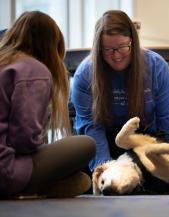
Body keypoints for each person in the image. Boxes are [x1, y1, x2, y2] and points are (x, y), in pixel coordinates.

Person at [0, 11, 96, 198]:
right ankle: (36, 186)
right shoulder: (34, 69)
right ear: (51, 45)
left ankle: (42, 185)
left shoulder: (4, 61)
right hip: (5, 172)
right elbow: (24, 139)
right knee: (87, 144)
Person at [71, 10, 169, 172]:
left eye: (122, 47)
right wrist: (106, 170)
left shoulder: (157, 67)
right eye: (108, 49)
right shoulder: (85, 74)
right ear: (99, 48)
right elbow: (91, 128)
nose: (117, 56)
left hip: (143, 142)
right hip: (104, 142)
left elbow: (166, 123)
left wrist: (164, 162)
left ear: (133, 42)